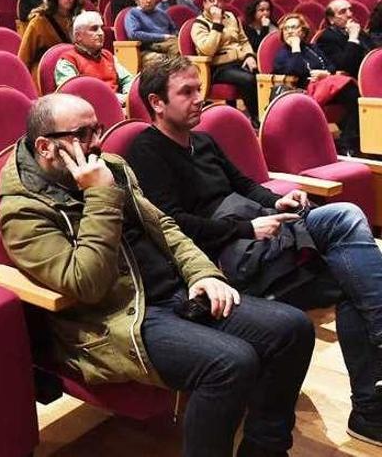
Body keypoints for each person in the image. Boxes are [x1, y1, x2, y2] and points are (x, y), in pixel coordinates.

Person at [0, 89, 314, 457]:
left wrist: (201, 273)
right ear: (45, 147)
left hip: (173, 293)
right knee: (231, 363)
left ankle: (265, 449)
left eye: (98, 129)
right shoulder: (22, 210)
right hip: (116, 319)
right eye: (82, 135)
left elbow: (162, 225)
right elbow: (86, 284)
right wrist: (99, 195)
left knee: (293, 328)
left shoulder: (112, 166)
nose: (97, 143)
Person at [127, 56, 382, 449]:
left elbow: (245, 186)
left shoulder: (204, 140)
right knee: (344, 216)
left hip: (255, 237)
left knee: (351, 281)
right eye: (187, 92)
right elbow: (171, 224)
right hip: (223, 256)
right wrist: (246, 227)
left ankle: (367, 411)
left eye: (200, 89)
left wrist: (278, 201)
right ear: (156, 103)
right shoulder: (144, 151)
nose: (200, 99)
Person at [274, 12, 361, 155]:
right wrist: (295, 47)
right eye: (286, 28)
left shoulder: (312, 49)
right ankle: (347, 143)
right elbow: (295, 72)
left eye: (294, 27)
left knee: (355, 97)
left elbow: (331, 65)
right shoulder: (282, 54)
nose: (290, 31)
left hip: (324, 86)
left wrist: (325, 74)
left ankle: (347, 141)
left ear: (303, 31)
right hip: (300, 91)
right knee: (350, 91)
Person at [191, 0, 258, 126]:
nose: (216, 3)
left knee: (262, 74)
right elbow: (207, 50)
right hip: (217, 67)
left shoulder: (231, 17)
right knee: (248, 79)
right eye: (211, 0)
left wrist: (249, 56)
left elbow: (243, 40)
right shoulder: (199, 24)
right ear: (204, 3)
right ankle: (257, 119)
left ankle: (264, 114)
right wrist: (216, 23)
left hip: (240, 62)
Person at [55, 10, 133, 104]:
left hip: (118, 105)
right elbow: (71, 95)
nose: (101, 33)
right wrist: (111, 98)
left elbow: (128, 79)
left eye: (101, 27)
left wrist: (126, 97)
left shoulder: (108, 55)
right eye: (94, 29)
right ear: (78, 36)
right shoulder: (68, 61)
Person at [18, 0, 81, 76]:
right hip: (44, 75)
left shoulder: (79, 18)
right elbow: (24, 58)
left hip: (72, 73)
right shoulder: (39, 21)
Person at [317, 0, 374, 78]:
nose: (349, 14)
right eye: (343, 12)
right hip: (355, 80)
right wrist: (353, 38)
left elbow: (373, 50)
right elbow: (345, 67)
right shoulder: (327, 38)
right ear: (331, 19)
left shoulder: (356, 29)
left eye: (350, 10)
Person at [125, 0, 179, 64]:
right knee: (176, 48)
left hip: (168, 43)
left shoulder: (161, 12)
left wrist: (173, 36)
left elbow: (174, 29)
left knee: (181, 45)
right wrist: (163, 37)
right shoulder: (133, 13)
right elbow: (134, 34)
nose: (149, 0)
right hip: (148, 47)